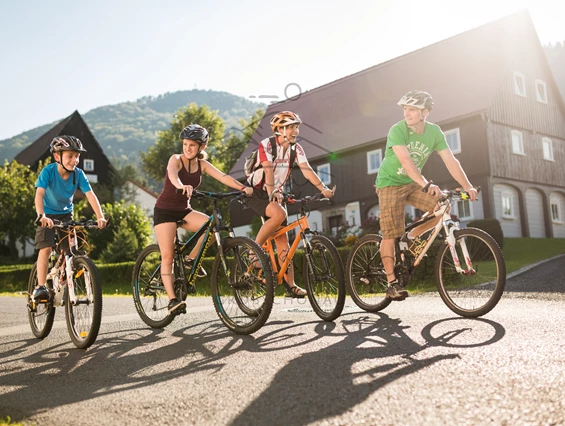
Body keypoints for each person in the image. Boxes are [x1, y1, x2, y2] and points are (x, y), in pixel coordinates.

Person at [375, 90, 478, 300]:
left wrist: (467, 185)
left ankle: (412, 236)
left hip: (412, 183)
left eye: (412, 109)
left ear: (425, 112)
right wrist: (425, 183)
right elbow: (406, 161)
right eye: (405, 109)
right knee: (391, 233)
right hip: (389, 184)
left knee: (442, 207)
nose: (407, 113)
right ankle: (391, 283)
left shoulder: (435, 132)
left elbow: (451, 161)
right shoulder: (398, 130)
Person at [154, 124, 253, 315]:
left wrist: (243, 188)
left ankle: (191, 261)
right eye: (185, 144)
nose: (187, 148)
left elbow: (223, 177)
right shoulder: (175, 159)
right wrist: (181, 185)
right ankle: (172, 300)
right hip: (165, 211)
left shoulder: (202, 164)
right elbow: (173, 175)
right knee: (167, 255)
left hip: (184, 210)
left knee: (210, 224)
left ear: (202, 147)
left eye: (192, 145)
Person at [245, 111, 335, 298]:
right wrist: (273, 192)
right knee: (279, 215)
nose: (296, 130)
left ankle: (291, 286)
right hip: (257, 191)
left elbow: (307, 170)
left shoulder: (296, 149)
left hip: (275, 193)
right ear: (279, 130)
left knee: (283, 242)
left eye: (297, 126)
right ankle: (253, 251)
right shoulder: (267, 145)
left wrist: (323, 188)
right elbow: (268, 172)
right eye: (291, 127)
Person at [32, 136, 107, 301]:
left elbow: (91, 195)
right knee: (45, 249)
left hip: (66, 214)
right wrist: (41, 215)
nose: (75, 160)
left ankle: (66, 275)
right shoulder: (48, 172)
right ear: (57, 156)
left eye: (77, 156)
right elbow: (39, 194)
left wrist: (100, 216)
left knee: (71, 251)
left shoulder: (78, 174)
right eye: (70, 156)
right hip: (47, 214)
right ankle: (41, 287)